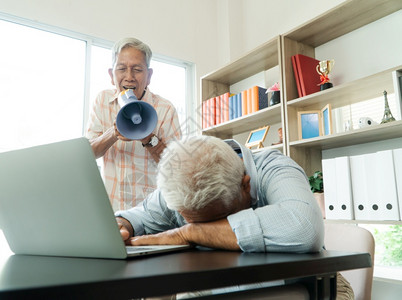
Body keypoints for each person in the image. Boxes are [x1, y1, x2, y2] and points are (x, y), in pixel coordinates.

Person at [115, 135, 354, 299]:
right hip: (219, 283)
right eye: (191, 221)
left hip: (309, 284)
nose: (205, 229)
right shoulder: (182, 180)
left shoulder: (275, 167)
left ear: (245, 186)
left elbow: (303, 228)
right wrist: (122, 225)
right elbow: (139, 217)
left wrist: (189, 232)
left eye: (217, 220)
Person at [86, 37, 181, 211]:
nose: (129, 77)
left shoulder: (165, 109)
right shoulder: (102, 101)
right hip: (111, 208)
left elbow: (175, 168)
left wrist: (148, 138)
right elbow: (88, 153)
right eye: (121, 69)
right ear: (111, 74)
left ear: (149, 75)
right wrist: (114, 132)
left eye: (137, 70)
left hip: (151, 213)